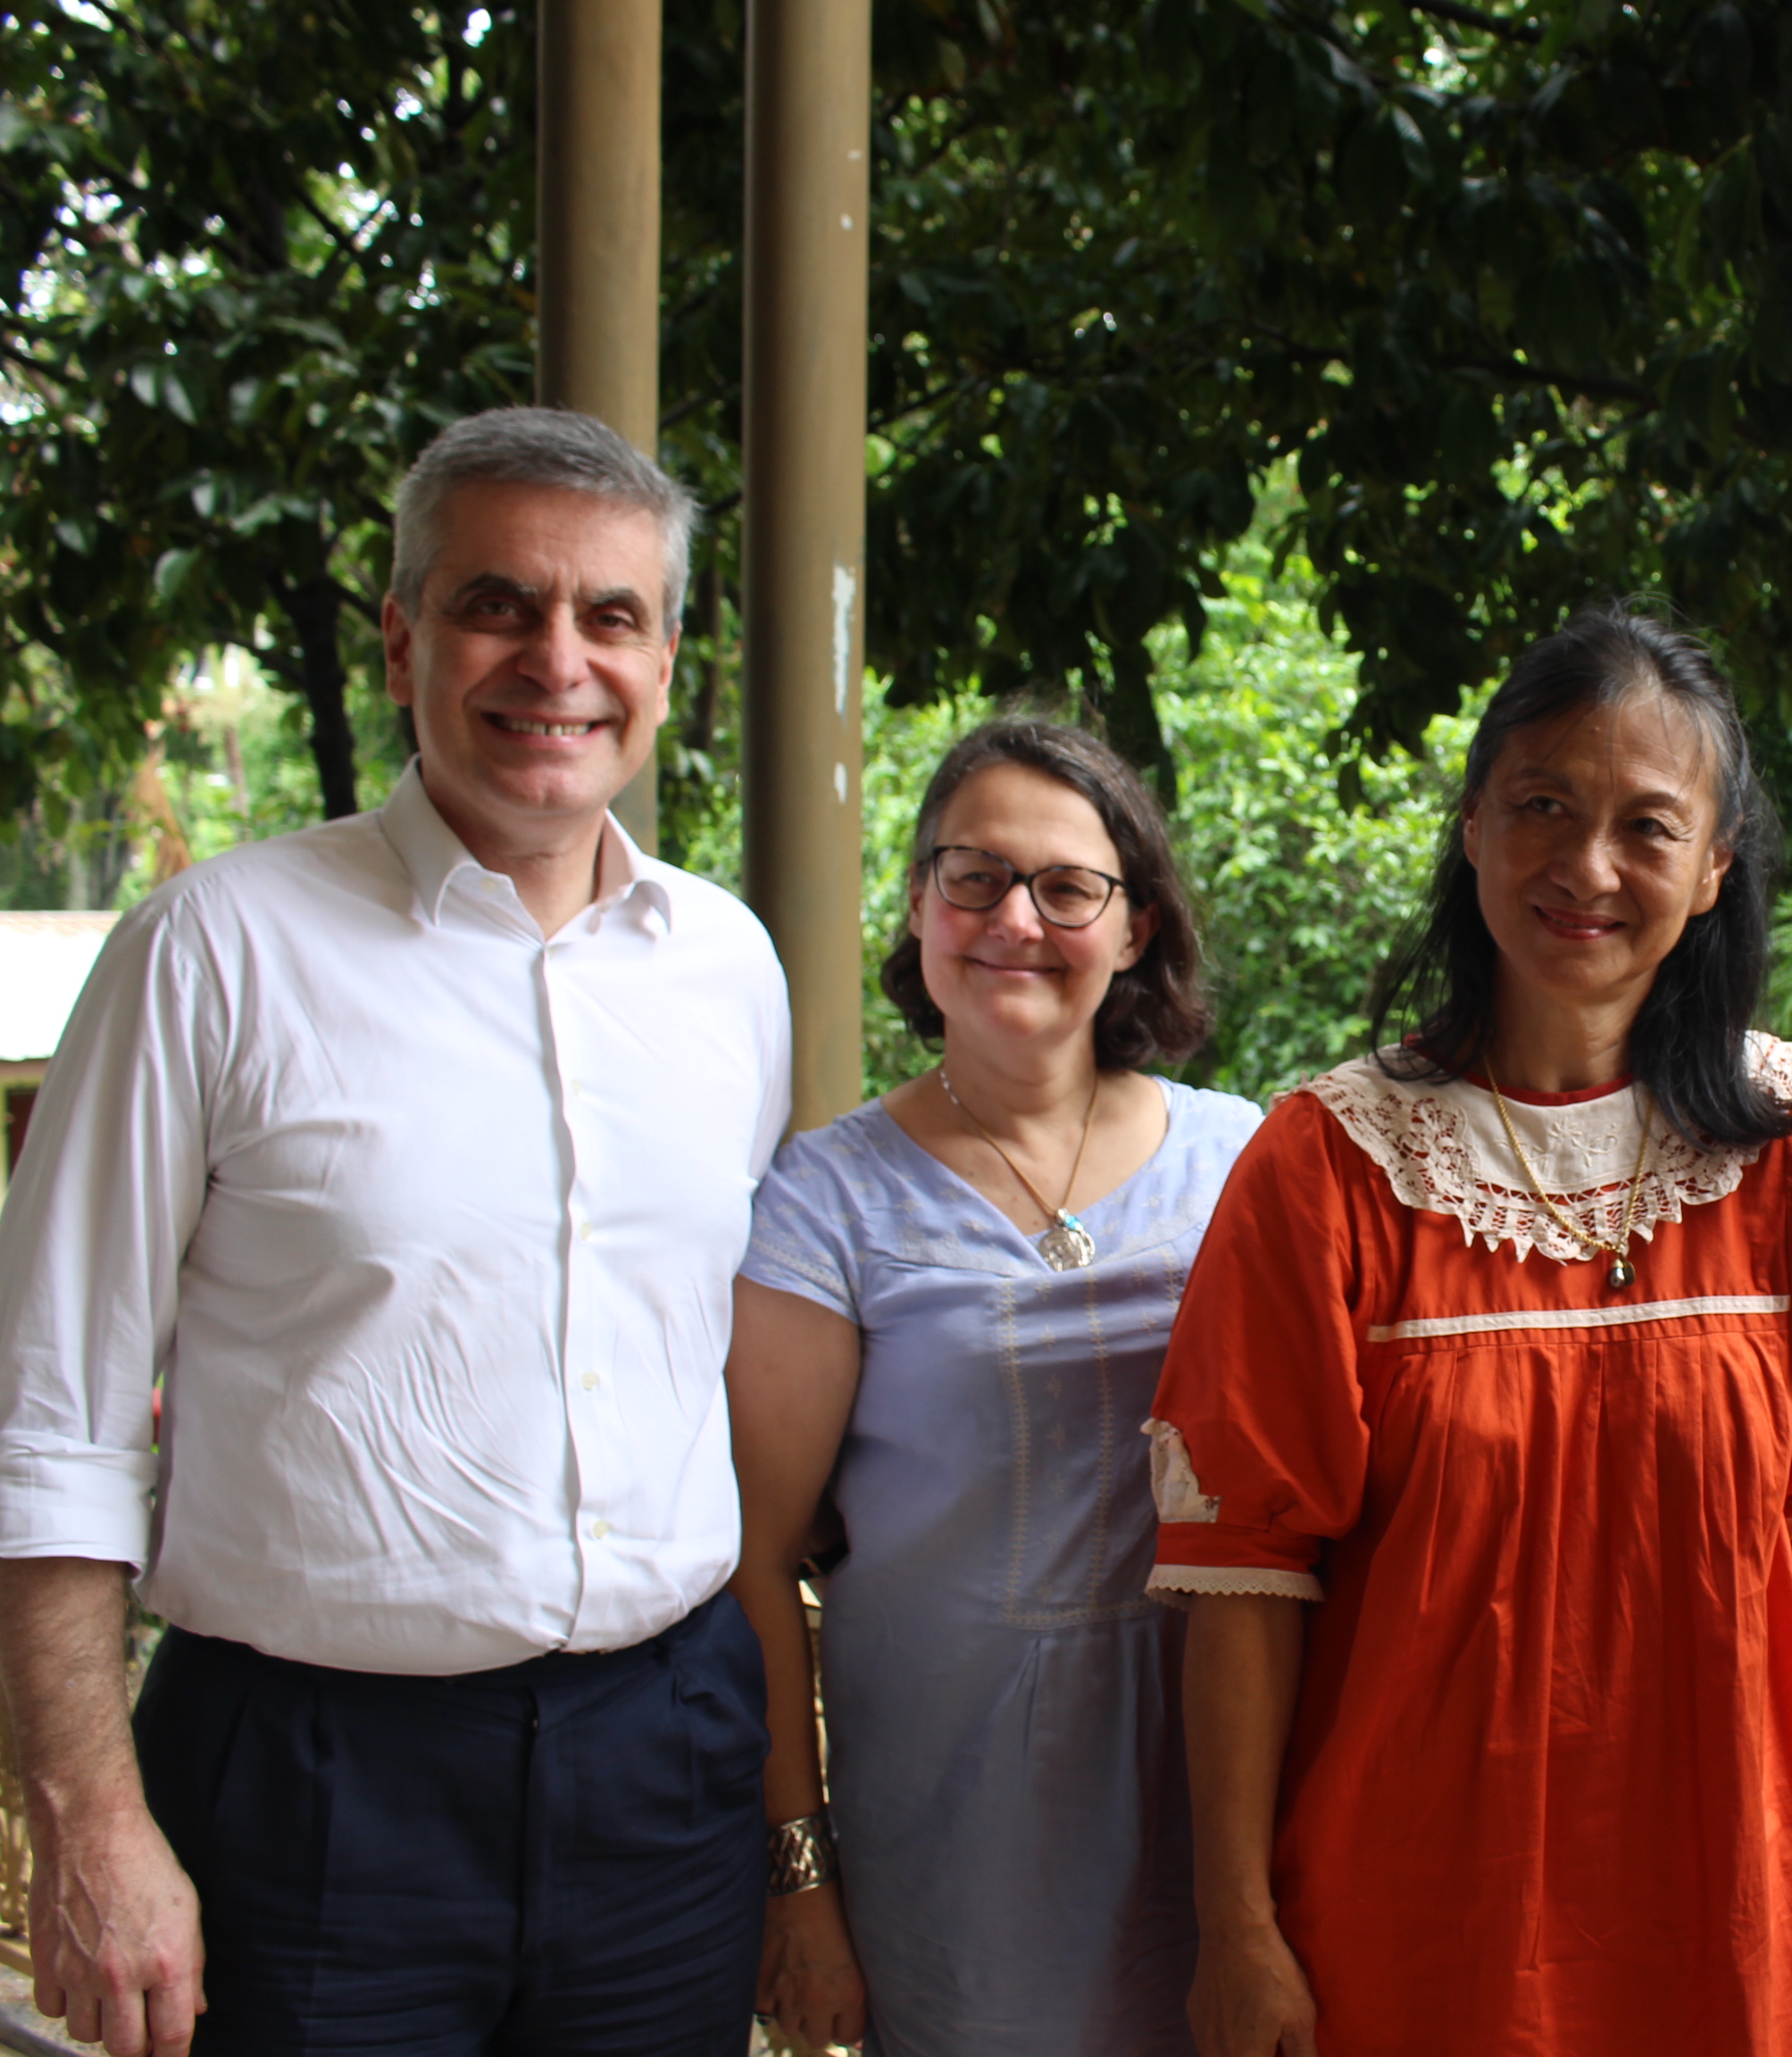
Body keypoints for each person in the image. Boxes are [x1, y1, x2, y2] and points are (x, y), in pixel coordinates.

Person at [0, 406, 791, 2056]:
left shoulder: (727, 969)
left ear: (664, 659)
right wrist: (88, 1817)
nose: (555, 660)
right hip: (311, 1793)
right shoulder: (212, 953)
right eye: (500, 604)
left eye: (612, 616)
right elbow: (50, 1423)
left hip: (667, 1767)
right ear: (401, 638)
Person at [1146, 609, 1792, 2057]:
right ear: (1474, 827)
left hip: (1720, 1890)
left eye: (1648, 825)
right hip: (1416, 1917)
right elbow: (1243, 1580)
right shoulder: (1330, 1163)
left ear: (1715, 867)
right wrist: (1237, 1929)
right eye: (1544, 807)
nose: (1586, 867)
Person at [726, 717, 1260, 2055]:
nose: (1016, 919)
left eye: (1068, 887)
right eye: (973, 878)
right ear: (918, 911)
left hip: (1219, 1799)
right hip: (957, 1835)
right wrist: (801, 1882)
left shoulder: (1246, 1164)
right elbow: (751, 1558)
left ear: (1134, 928)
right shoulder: (826, 1200)